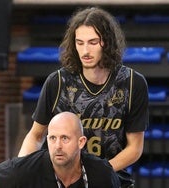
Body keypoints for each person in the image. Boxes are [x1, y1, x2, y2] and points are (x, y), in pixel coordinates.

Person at [18, 7, 149, 188]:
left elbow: (135, 148)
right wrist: (21, 170)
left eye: (93, 42)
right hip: (62, 180)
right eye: (80, 43)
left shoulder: (133, 83)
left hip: (112, 178)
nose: (85, 51)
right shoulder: (57, 82)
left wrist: (96, 174)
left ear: (107, 43)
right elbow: (36, 135)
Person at [0, 112, 120, 188]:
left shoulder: (103, 174)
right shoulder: (27, 169)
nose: (57, 146)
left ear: (81, 142)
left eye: (64, 138)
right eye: (52, 138)